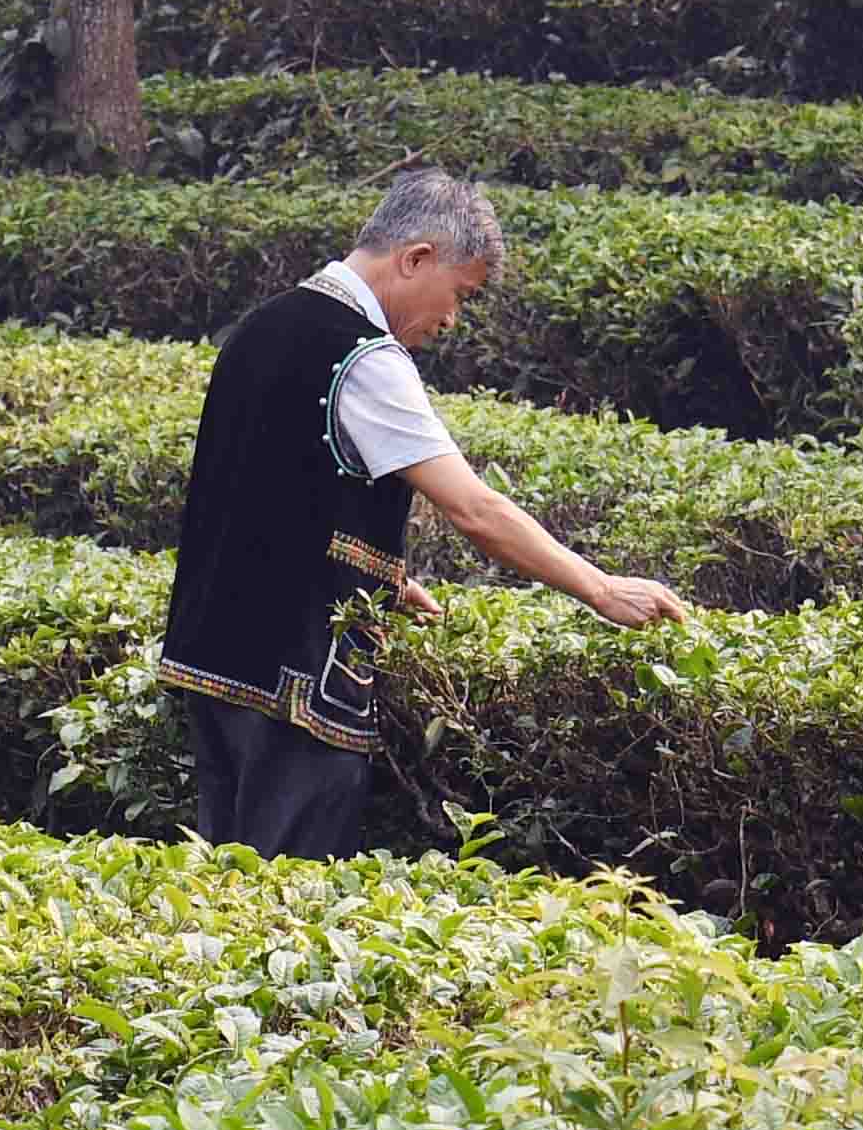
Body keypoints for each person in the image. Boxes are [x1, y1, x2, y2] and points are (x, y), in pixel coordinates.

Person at [159, 163, 688, 856]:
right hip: (298, 676)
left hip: (215, 656)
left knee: (221, 890)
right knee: (286, 904)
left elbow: (269, 487)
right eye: (458, 294)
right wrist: (601, 589)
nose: (451, 320)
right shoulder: (362, 357)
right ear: (416, 259)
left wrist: (376, 574)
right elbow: (475, 511)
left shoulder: (262, 326)